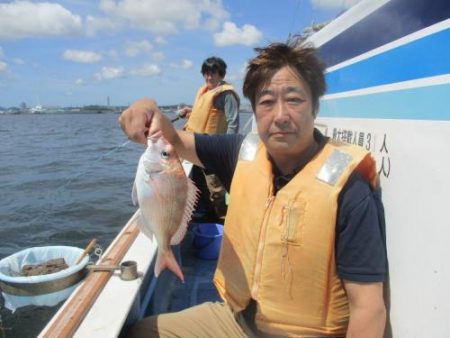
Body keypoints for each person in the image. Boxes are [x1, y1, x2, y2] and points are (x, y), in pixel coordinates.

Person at [119, 41, 387, 337]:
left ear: (315, 107)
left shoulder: (349, 188)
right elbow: (174, 141)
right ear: (255, 110)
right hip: (237, 319)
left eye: (294, 99)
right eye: (267, 101)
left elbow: (369, 308)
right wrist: (145, 106)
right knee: (143, 333)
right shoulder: (241, 151)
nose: (280, 115)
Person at [178, 56, 240, 223]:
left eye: (213, 73)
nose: (208, 77)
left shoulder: (226, 95)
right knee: (201, 184)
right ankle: (207, 214)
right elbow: (206, 115)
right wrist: (190, 112)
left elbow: (233, 122)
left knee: (216, 187)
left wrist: (226, 150)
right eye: (206, 73)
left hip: (213, 147)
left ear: (221, 74)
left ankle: (222, 220)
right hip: (198, 145)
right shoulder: (205, 91)